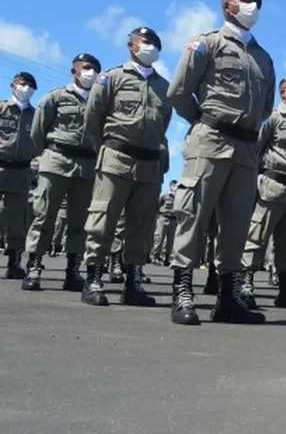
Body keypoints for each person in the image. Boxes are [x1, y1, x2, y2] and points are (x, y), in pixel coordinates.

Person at [167, 0, 275, 326]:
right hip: (210, 140)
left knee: (237, 224)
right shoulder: (207, 43)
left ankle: (227, 297)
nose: (252, 6)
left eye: (256, 1)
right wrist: (203, 121)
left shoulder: (263, 57)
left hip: (246, 147)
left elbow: (267, 106)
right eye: (245, 0)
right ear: (228, 7)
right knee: (193, 214)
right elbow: (180, 91)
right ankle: (182, 291)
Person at [81, 27, 170, 308]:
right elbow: (93, 119)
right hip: (116, 158)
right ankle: (93, 279)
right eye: (146, 42)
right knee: (103, 220)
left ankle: (133, 282)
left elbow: (162, 125)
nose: (152, 47)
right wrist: (106, 150)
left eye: (156, 43)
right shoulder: (111, 78)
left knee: (141, 227)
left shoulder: (163, 86)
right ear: (131, 46)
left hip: (149, 164)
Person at [21, 54, 101, 292]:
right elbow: (38, 131)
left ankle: (73, 271)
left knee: (80, 222)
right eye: (87, 68)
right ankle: (34, 268)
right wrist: (47, 156)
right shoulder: (55, 96)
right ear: (75, 71)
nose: (92, 73)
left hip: (87, 165)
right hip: (55, 161)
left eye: (95, 69)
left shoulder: (101, 100)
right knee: (44, 216)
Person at [241, 75, 286, 311]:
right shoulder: (273, 118)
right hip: (273, 186)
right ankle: (245, 283)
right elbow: (257, 149)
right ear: (283, 92)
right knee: (257, 236)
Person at [1, 72, 38, 280]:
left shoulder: (35, 115)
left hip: (22, 170)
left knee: (18, 219)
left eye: (30, 86)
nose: (26, 88)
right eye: (23, 84)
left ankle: (14, 263)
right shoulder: (2, 108)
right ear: (12, 85)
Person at [151, 180, 178, 265]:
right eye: (173, 186)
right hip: (163, 217)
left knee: (171, 240)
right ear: (170, 186)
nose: (175, 188)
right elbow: (158, 204)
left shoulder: (178, 197)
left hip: (174, 219)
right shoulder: (164, 195)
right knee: (159, 238)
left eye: (176, 186)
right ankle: (155, 256)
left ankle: (167, 257)